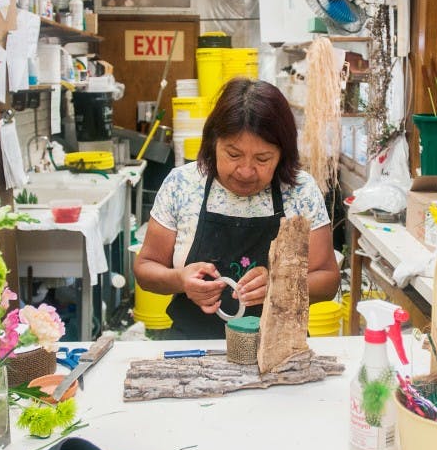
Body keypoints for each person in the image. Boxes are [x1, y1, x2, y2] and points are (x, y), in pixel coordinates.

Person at [134, 78, 339, 339]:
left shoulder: (300, 191)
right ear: (213, 142)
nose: (245, 171)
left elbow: (328, 281)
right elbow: (145, 269)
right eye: (233, 155)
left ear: (282, 154)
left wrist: (281, 286)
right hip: (194, 348)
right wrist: (180, 280)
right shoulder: (182, 184)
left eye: (263, 159)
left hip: (278, 349)